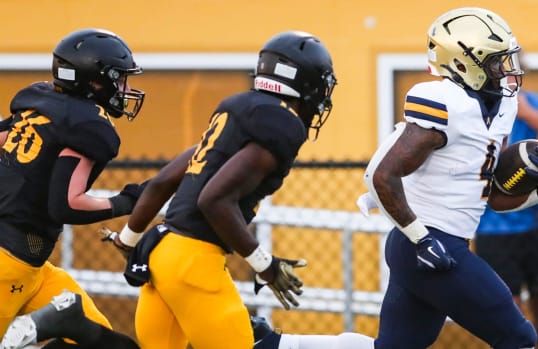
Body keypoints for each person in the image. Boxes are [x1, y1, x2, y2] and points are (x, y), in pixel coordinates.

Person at [249, 7, 538, 349]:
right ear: (463, 63)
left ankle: (273, 345)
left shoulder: (503, 108)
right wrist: (421, 239)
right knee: (519, 337)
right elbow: (380, 175)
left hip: (435, 246)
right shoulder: (445, 102)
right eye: (495, 62)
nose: (504, 70)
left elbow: (489, 195)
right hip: (427, 246)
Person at [102, 30, 337, 349]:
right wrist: (264, 264)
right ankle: (79, 327)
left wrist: (127, 238)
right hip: (193, 263)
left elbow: (163, 182)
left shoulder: (238, 108)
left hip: (162, 252)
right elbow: (214, 199)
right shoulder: (282, 124)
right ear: (305, 81)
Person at [0, 28, 147, 349]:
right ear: (96, 80)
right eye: (120, 79)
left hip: (30, 269)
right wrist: (130, 201)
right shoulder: (88, 124)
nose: (126, 88)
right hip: (8, 265)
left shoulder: (38, 98)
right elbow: (67, 204)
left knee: (98, 340)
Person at [475, 70, 538, 347]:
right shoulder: (474, 108)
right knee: (508, 314)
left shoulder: (534, 103)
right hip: (494, 230)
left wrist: (527, 113)